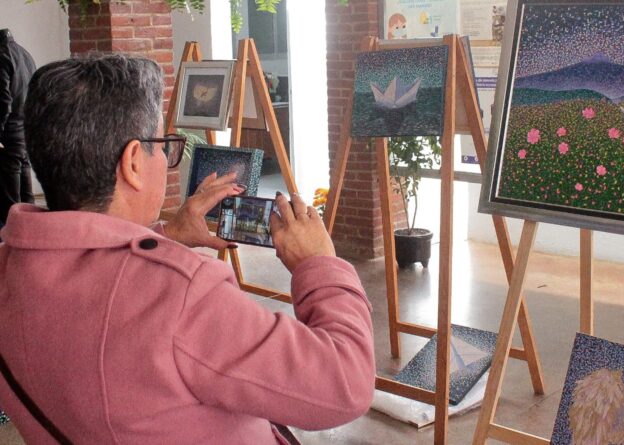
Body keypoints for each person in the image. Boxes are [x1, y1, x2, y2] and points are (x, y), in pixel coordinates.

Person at [0, 55, 374, 444]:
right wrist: (320, 265)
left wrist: (168, 235)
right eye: (163, 145)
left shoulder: (9, 268)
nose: (166, 159)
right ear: (133, 163)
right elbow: (344, 383)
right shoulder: (181, 296)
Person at [0, 29, 36, 227]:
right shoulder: (24, 54)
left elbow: (3, 102)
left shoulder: (2, 55)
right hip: (24, 133)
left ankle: (11, 243)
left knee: (9, 204)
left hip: (7, 136)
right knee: (27, 200)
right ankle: (31, 236)